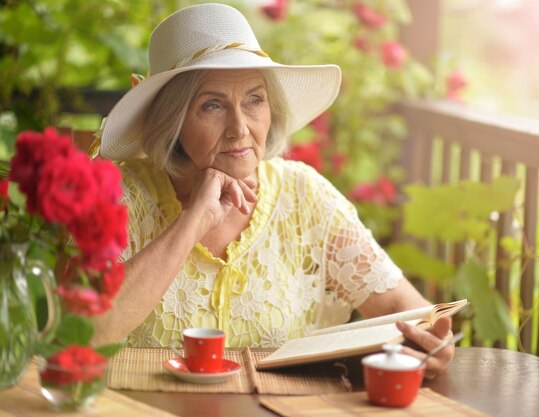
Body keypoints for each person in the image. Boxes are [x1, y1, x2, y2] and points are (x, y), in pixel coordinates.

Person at [93, 3, 453, 379]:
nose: (240, 128)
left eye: (254, 100)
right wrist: (191, 222)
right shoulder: (120, 198)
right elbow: (85, 339)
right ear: (173, 121)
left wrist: (432, 344)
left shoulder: (304, 195)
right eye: (212, 105)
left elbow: (409, 312)